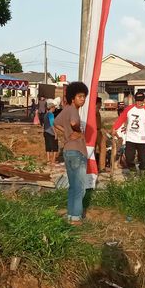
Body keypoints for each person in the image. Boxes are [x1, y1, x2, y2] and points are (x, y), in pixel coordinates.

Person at [53, 82, 89, 225]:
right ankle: (76, 218)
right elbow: (74, 122)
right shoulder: (73, 110)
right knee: (79, 187)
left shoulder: (66, 109)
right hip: (77, 152)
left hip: (68, 150)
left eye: (84, 97)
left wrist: (67, 134)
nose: (83, 99)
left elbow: (55, 123)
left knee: (73, 186)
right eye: (80, 96)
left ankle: (70, 215)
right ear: (72, 98)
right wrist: (77, 132)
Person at [112, 91, 145, 173]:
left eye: (140, 100)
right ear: (134, 100)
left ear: (144, 100)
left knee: (143, 160)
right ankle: (133, 172)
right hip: (131, 138)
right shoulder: (129, 109)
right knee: (129, 158)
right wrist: (114, 128)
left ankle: (142, 176)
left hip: (142, 139)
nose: (139, 102)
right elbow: (121, 119)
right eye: (137, 100)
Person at [43, 100, 59, 165]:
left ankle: (48, 160)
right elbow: (52, 124)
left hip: (45, 132)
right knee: (55, 146)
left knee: (48, 146)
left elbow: (44, 124)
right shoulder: (51, 114)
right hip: (50, 132)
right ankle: (53, 160)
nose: (54, 109)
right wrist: (55, 133)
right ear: (52, 108)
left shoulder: (45, 115)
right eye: (54, 108)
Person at [95, 96, 107, 172]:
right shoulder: (93, 111)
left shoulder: (98, 112)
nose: (101, 105)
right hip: (93, 131)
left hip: (99, 131)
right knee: (92, 149)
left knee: (103, 148)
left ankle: (102, 167)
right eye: (100, 103)